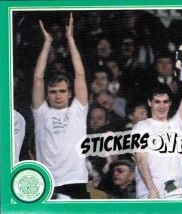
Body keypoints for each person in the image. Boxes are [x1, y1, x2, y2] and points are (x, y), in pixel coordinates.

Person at [32, 13, 90, 199]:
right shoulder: (41, 113)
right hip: (47, 181)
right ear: (47, 95)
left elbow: (80, 75)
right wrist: (47, 42)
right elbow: (38, 77)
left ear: (70, 93)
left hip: (76, 180)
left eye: (62, 91)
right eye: (53, 91)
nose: (58, 96)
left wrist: (70, 39)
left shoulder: (78, 110)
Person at [133, 81, 182, 199]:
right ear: (149, 102)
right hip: (150, 193)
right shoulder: (141, 127)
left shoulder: (177, 125)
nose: (162, 106)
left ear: (170, 103)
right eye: (157, 102)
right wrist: (152, 189)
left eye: (165, 102)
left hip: (175, 192)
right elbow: (141, 160)